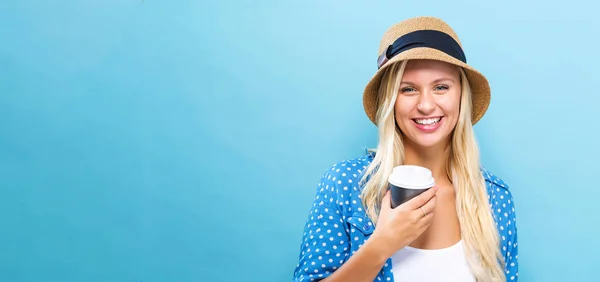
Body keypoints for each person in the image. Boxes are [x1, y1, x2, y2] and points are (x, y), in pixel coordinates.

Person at [292, 16, 519, 282]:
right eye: (408, 89)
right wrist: (382, 245)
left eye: (441, 87)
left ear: (461, 95)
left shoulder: (494, 197)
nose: (425, 105)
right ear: (391, 101)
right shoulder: (345, 185)